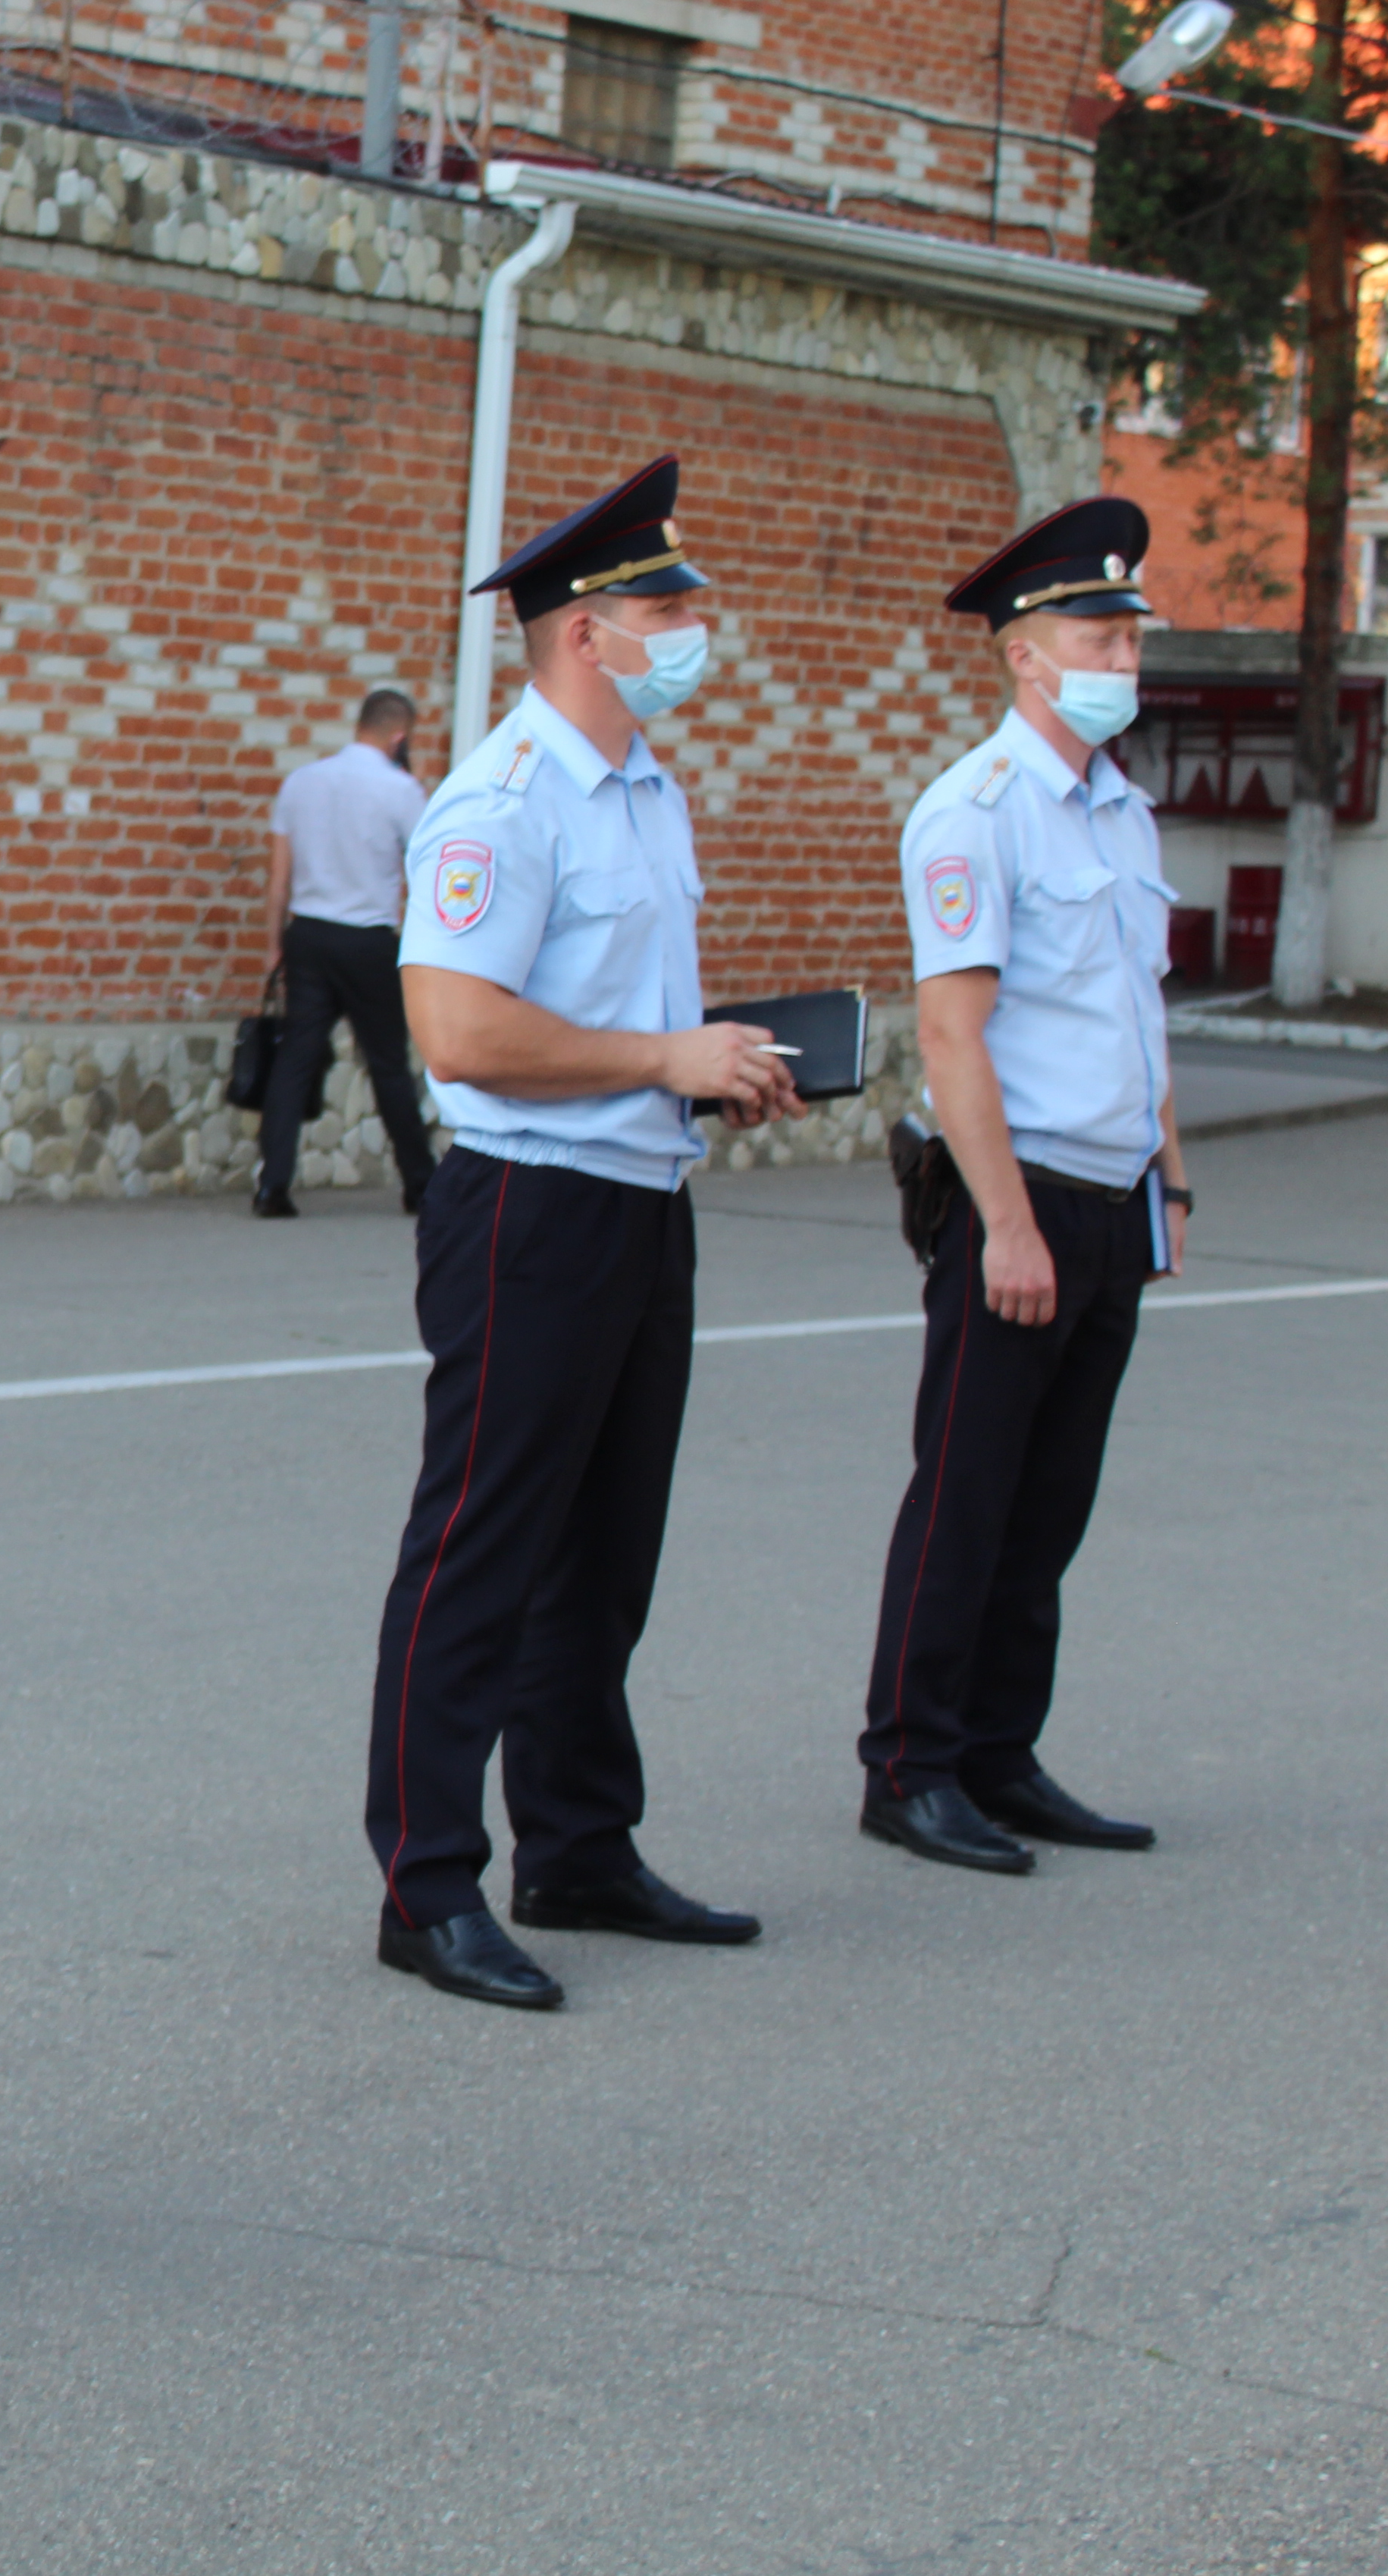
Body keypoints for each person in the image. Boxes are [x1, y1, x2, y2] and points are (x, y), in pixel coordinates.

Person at [359, 457, 801, 2012]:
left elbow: (620, 1017)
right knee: (481, 1547)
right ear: (581, 635)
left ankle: (581, 1846)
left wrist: (713, 1062)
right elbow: (461, 1034)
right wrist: (662, 1059)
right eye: (665, 605)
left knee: (607, 1554)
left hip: (637, 1200)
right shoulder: (500, 800)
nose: (695, 626)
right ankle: (425, 1882)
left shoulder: (647, 790)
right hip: (529, 1209)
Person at [853, 498, 1185, 1875]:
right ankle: (910, 1763)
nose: (1120, 651)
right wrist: (1000, 1224)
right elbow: (949, 1035)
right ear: (1022, 657)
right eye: (1094, 630)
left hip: (1110, 1197)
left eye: (1127, 629)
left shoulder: (1118, 811)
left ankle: (999, 1750)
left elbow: (1135, 1010)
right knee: (967, 1490)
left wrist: (1165, 1171)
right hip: (1020, 1196)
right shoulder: (971, 813)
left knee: (1049, 1501)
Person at [254, 688, 440, 1218]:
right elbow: (427, 871)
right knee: (386, 1063)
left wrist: (273, 945)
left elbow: (279, 879)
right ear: (400, 737)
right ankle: (419, 1184)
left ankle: (273, 1184)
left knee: (295, 1060)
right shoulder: (402, 791)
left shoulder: (301, 783)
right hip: (368, 939)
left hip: (308, 935)